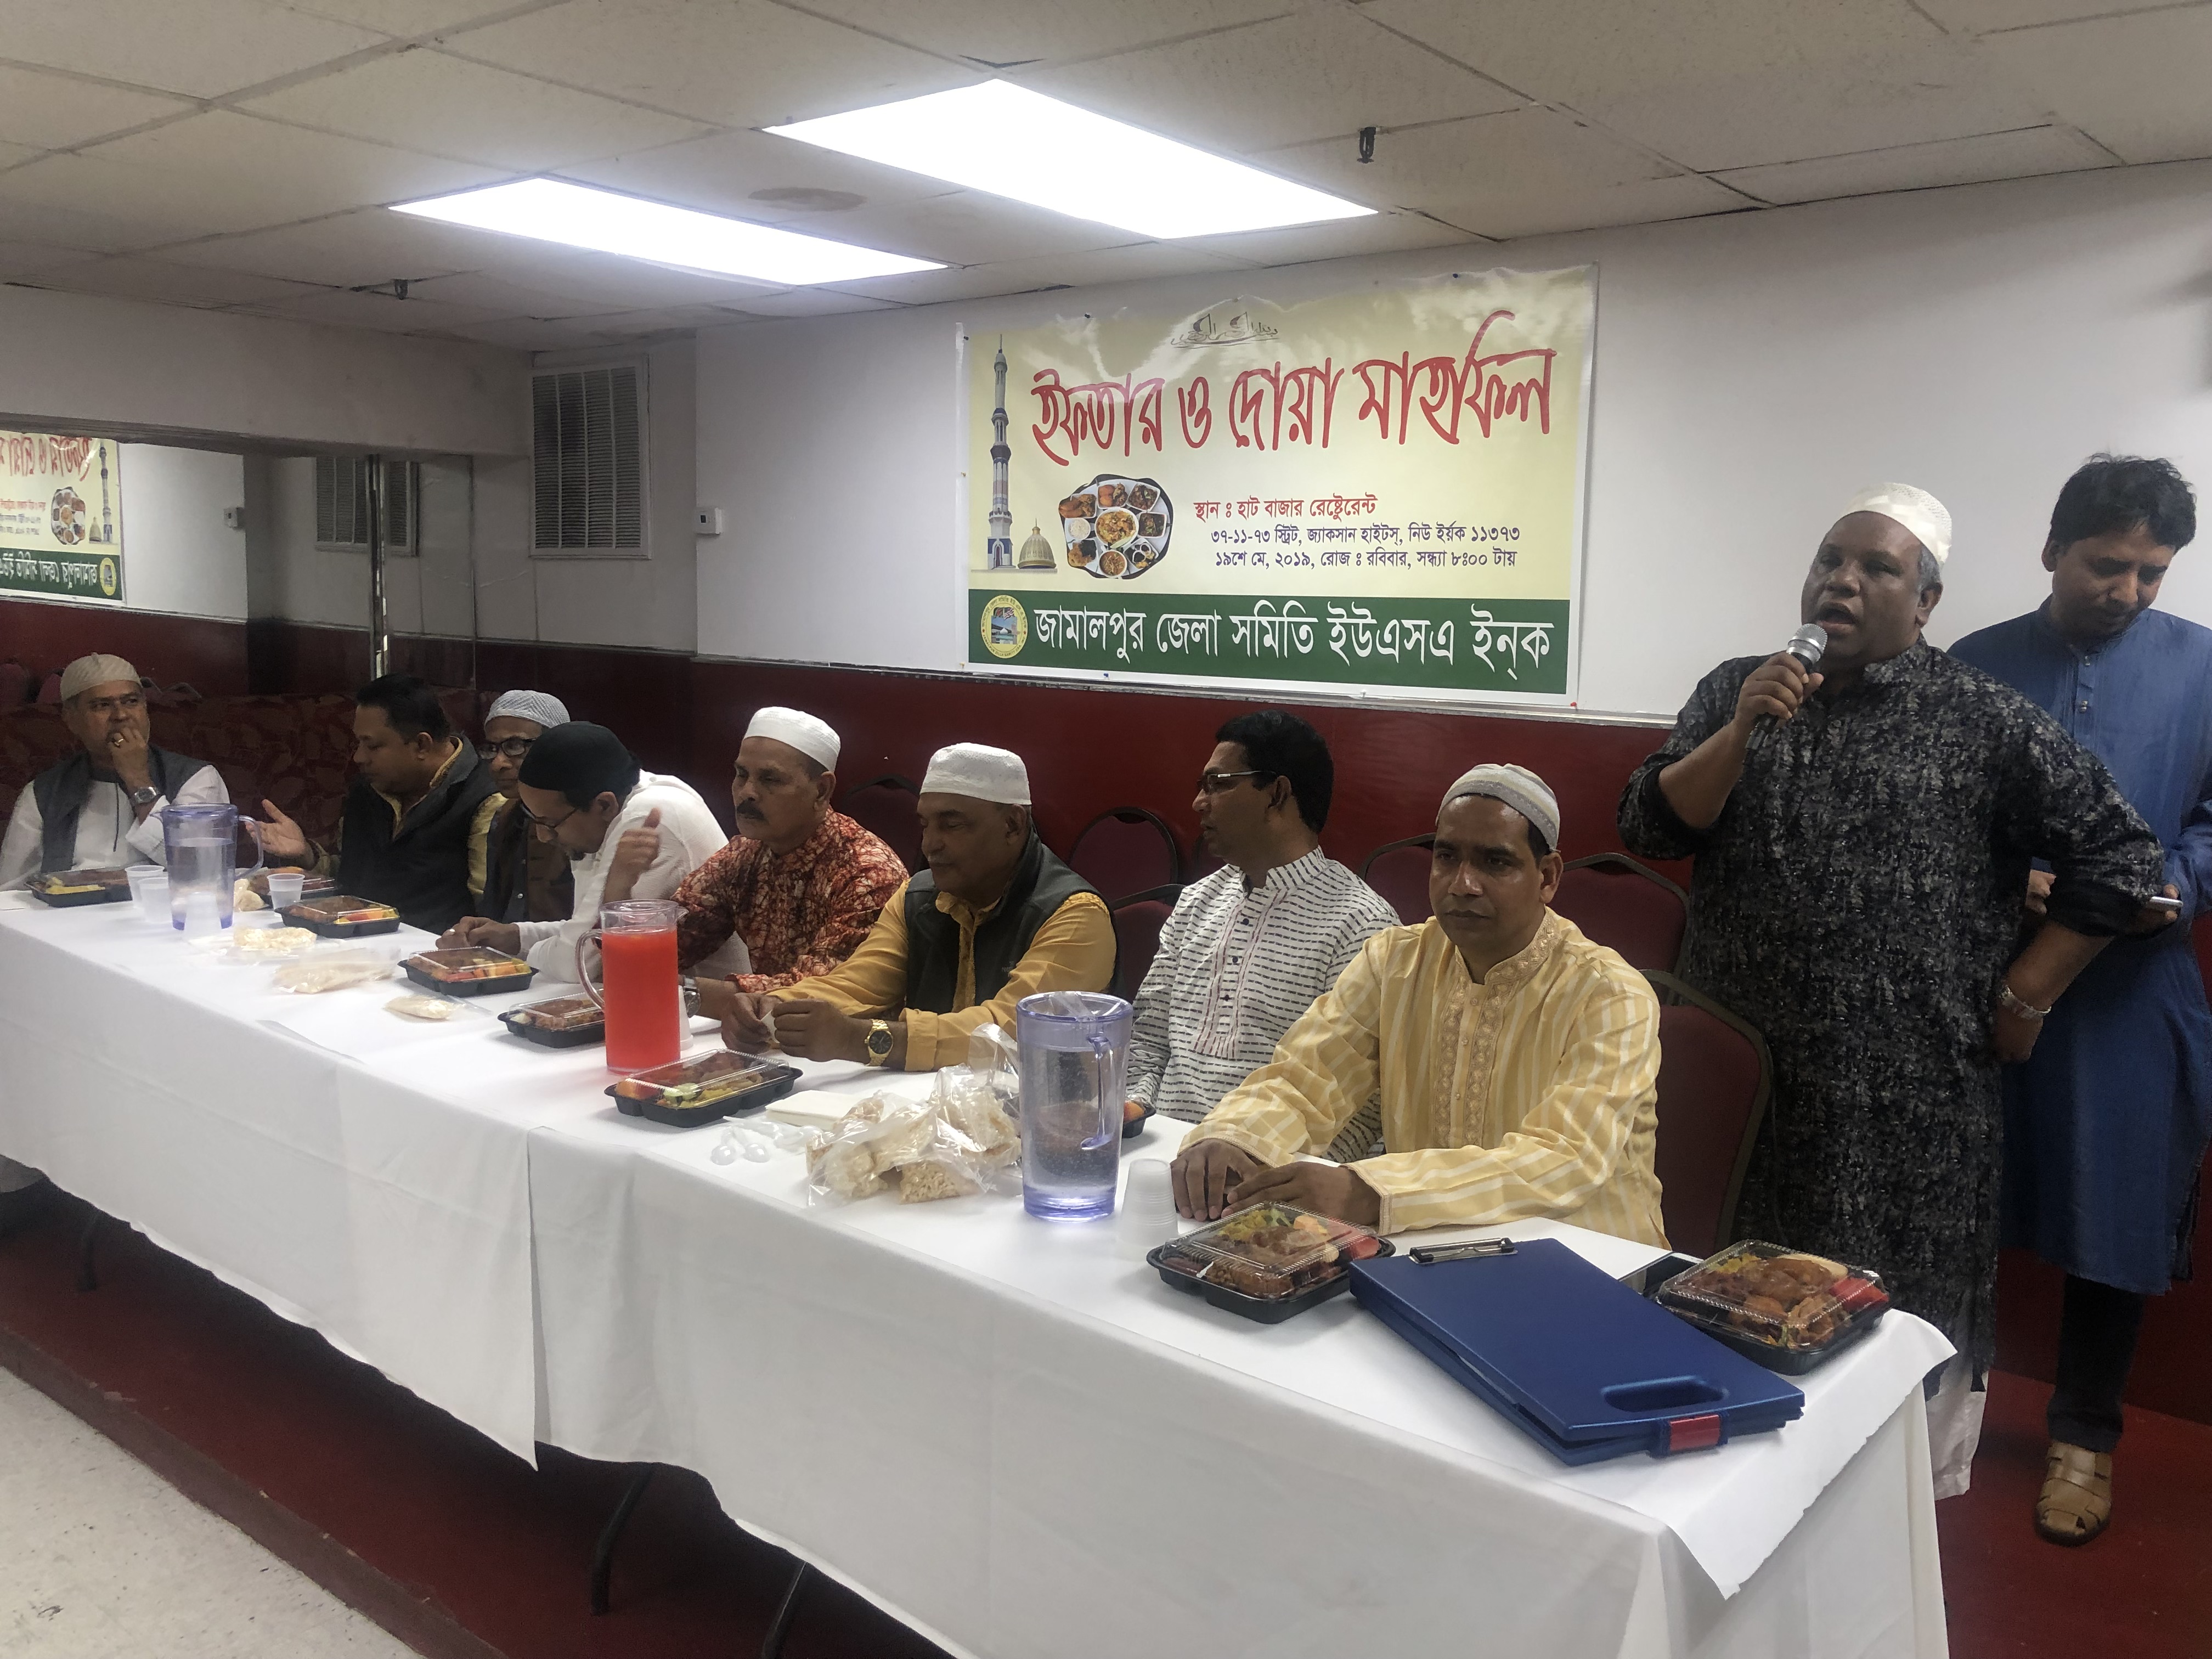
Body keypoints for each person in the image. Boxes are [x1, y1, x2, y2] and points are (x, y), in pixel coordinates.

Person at [1617, 481, 2170, 1497]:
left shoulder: (1982, 719)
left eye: (1877, 567)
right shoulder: (1737, 687)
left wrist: (2028, 994)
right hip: (1743, 1086)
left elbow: (2119, 854)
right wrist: (1739, 730)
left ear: (1925, 604)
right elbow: (1649, 825)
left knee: (1883, 1351)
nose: (1842, 580)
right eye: (1830, 559)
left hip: (1904, 1107)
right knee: (1722, 1323)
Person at [1949, 455, 2212, 1544]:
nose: (2129, 591)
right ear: (2053, 548)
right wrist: (2013, 879)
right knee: (1956, 1202)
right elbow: (1938, 822)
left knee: (2118, 1206)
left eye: (2153, 573)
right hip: (1988, 981)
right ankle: (1936, 1408)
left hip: (2133, 992)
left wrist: (2174, 884)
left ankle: (2084, 1437)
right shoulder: (1973, 666)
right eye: (2108, 565)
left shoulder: (2204, 668)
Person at [1170, 764, 1662, 1241]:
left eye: (1495, 862)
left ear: (1548, 877)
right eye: (1447, 857)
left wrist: (1369, 1191)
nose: (1463, 884)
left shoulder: (1610, 994)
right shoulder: (1394, 962)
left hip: (1591, 1258)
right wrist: (1235, 1138)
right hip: (1428, 1247)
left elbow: (1564, 1159)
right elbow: (1305, 1079)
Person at [721, 743, 1113, 1070]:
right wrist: (777, 1006)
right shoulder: (918, 896)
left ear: (1012, 825)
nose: (930, 845)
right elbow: (858, 984)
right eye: (925, 824)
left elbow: (1009, 1033)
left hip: (1049, 1123)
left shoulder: (1074, 914)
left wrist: (860, 1039)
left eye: (952, 825)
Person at [1129, 710, 1398, 1157]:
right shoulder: (1197, 902)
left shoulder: (1360, 926)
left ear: (1277, 794)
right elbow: (1149, 1037)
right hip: (1158, 1150)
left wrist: (1284, 1177)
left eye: (1218, 784)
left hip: (1270, 1170)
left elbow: (1368, 1106)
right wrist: (1133, 1112)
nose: (1199, 802)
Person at [439, 721, 735, 978]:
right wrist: (514, 937)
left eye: (550, 823)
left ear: (604, 805)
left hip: (707, 1012)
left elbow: (582, 962)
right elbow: (586, 931)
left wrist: (510, 957)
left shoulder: (649, 818)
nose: (543, 836)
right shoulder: (609, 809)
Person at [669, 707, 908, 1017]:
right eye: (742, 775)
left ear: (821, 790)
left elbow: (815, 994)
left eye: (770, 779)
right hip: (762, 1034)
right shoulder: (745, 854)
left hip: (850, 1041)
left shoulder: (867, 873)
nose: (747, 793)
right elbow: (675, 941)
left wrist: (677, 990)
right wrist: (622, 886)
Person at [257, 674, 502, 934]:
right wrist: (306, 855)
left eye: (372, 746)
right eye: (359, 743)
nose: (358, 757)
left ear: (421, 744)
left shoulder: (484, 800)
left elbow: (489, 914)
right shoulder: (370, 788)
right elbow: (354, 877)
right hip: (350, 940)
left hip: (429, 948)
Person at [0, 653, 228, 890]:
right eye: (101, 705)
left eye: (131, 702)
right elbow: (10, 891)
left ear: (145, 708)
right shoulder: (43, 793)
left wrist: (138, 780)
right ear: (71, 719)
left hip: (160, 908)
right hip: (70, 911)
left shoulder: (196, 778)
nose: (121, 715)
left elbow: (201, 869)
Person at [475, 690, 574, 926]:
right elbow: (493, 911)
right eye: (492, 749)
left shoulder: (586, 820)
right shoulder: (506, 815)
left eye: (515, 746)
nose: (498, 764)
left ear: (557, 748)